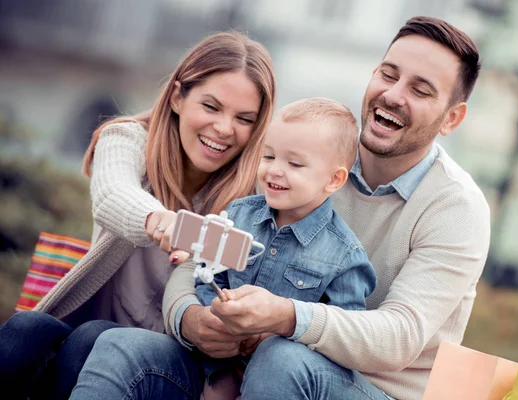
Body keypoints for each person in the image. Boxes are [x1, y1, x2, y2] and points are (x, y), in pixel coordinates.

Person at [71, 15, 490, 400]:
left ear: (451, 119)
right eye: (388, 74)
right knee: (119, 345)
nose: (393, 95)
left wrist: (286, 317)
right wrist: (190, 318)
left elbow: (399, 337)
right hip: (244, 368)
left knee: (283, 359)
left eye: (420, 90)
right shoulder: (303, 158)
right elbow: (203, 259)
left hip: (372, 389)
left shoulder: (456, 209)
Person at [0, 31, 275, 400]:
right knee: (25, 328)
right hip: (85, 330)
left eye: (244, 119)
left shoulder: (253, 196)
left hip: (170, 357)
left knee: (96, 337)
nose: (224, 129)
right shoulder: (127, 140)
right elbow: (112, 195)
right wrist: (161, 222)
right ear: (178, 96)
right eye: (211, 107)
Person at [191, 98, 376, 389]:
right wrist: (215, 313)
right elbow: (204, 276)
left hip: (284, 379)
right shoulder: (235, 214)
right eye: (268, 157)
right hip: (216, 361)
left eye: (294, 163)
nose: (275, 170)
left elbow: (345, 337)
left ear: (334, 179)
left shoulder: (345, 256)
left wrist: (278, 333)